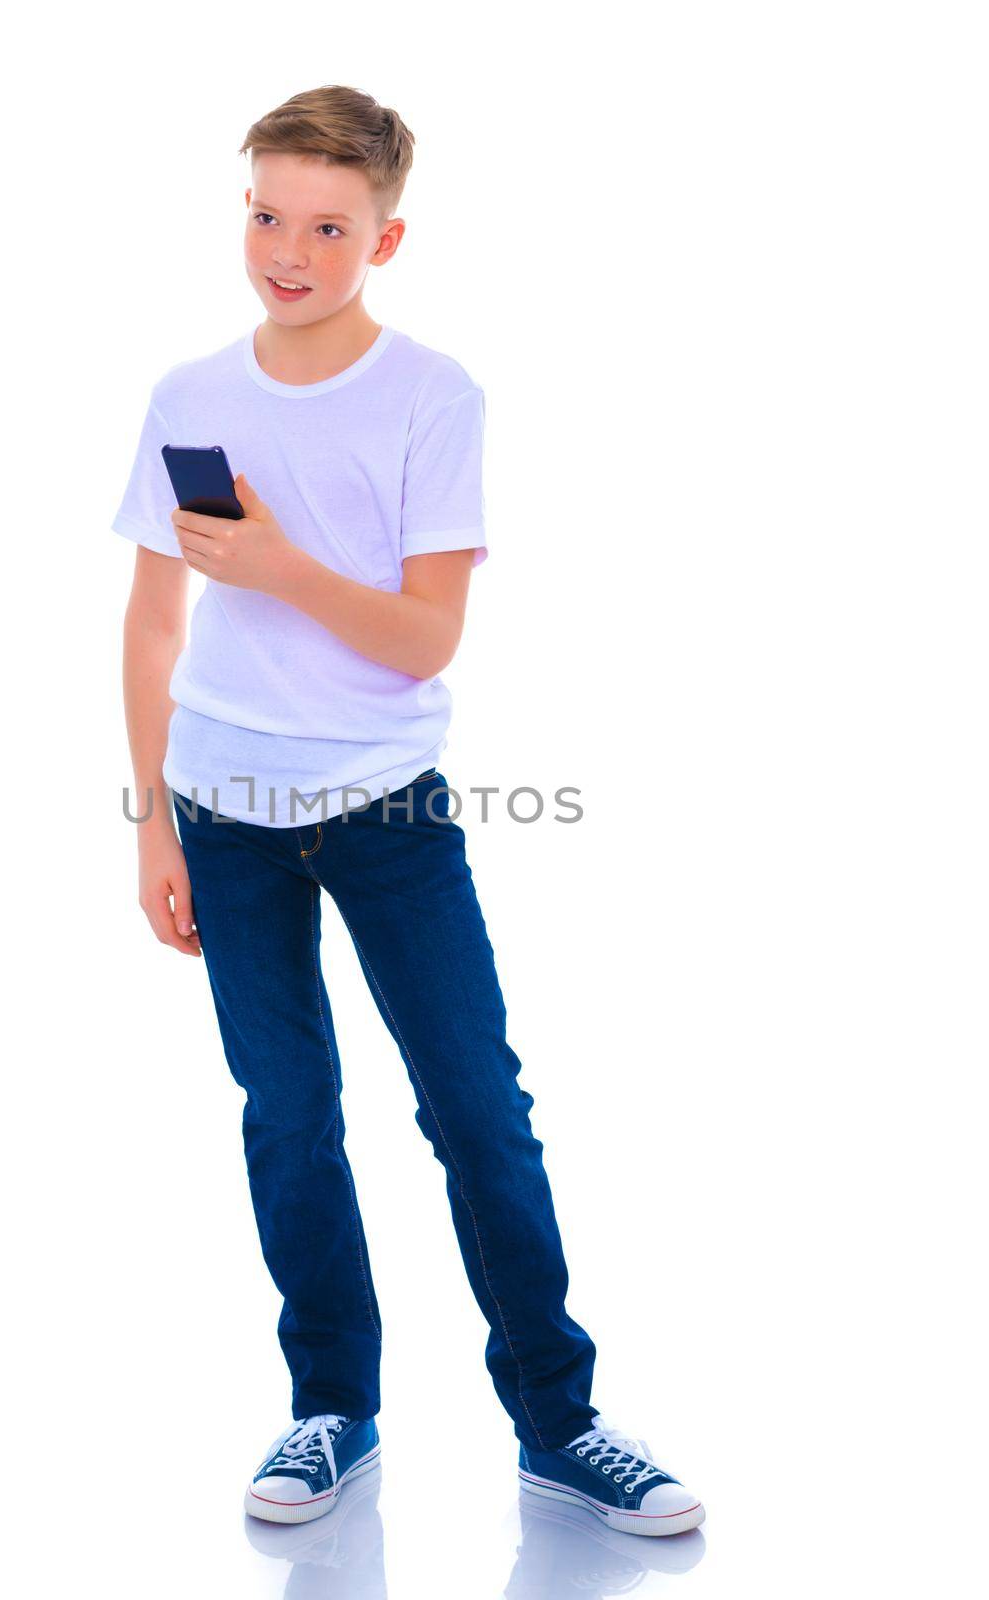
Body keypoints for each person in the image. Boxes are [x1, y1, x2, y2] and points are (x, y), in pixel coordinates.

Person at [113, 84, 704, 1538]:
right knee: (289, 1115)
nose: (289, 249)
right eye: (265, 214)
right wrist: (153, 826)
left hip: (387, 812)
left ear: (388, 235)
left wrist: (272, 562)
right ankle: (332, 1410)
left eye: (327, 224)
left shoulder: (434, 395)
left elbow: (426, 638)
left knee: (479, 1114)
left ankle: (559, 1421)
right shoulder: (189, 395)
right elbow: (149, 621)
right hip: (223, 811)